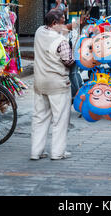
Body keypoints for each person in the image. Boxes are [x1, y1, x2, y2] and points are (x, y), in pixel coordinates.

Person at [31, 9, 74, 161]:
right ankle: (57, 153)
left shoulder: (39, 32)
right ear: (55, 23)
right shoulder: (60, 42)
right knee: (60, 120)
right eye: (62, 21)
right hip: (57, 85)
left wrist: (72, 26)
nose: (64, 24)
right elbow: (68, 61)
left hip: (39, 83)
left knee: (39, 118)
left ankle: (36, 152)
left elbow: (61, 29)